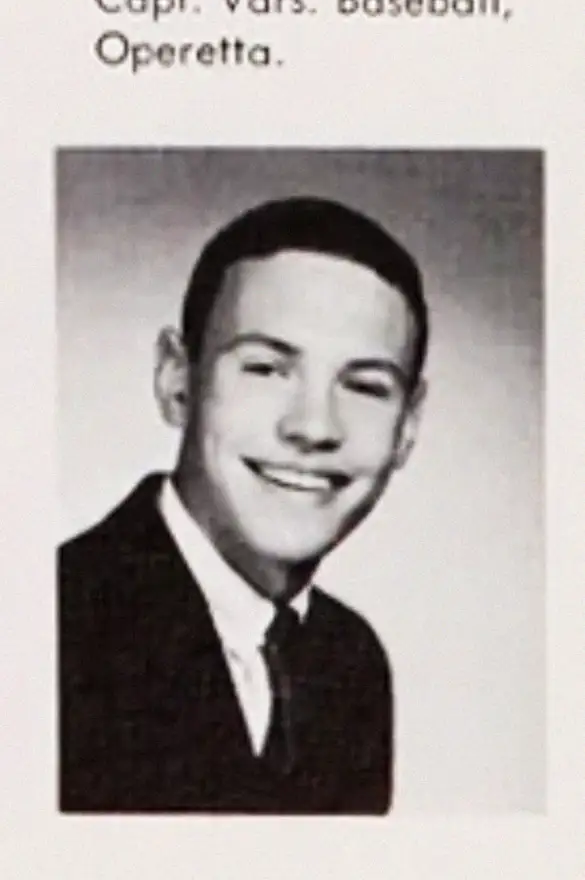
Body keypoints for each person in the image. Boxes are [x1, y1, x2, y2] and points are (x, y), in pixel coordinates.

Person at [59, 195, 429, 814]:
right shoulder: (44, 627)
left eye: (365, 386)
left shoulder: (350, 663)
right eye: (265, 368)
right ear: (178, 379)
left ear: (409, 426)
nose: (314, 426)